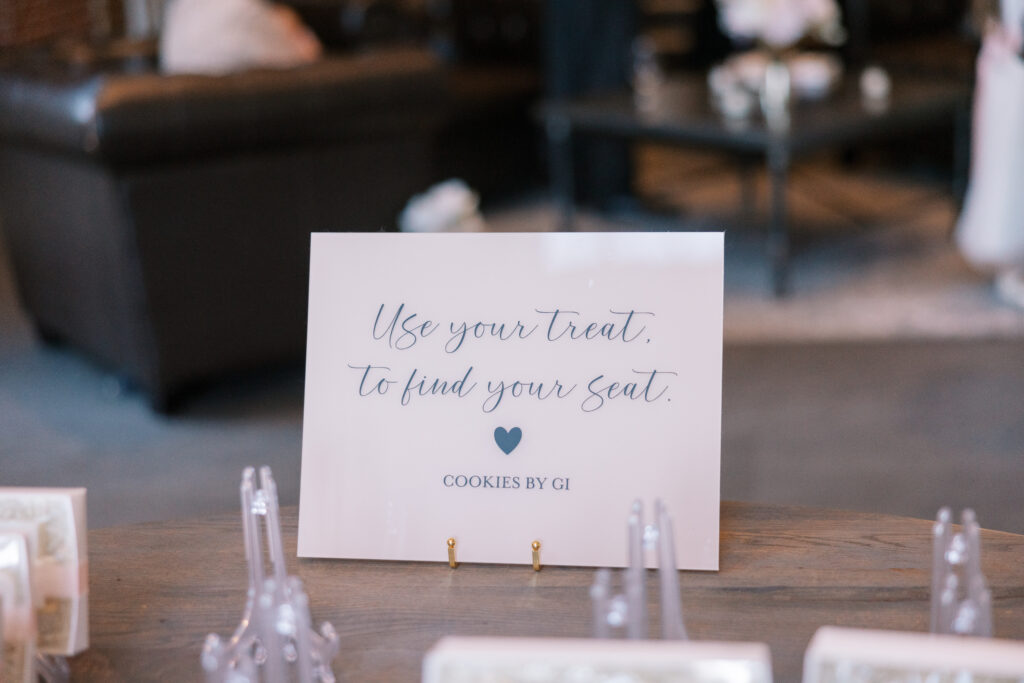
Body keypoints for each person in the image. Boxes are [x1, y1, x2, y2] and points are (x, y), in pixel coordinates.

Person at [956, 0, 1024, 308]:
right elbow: (981, 17)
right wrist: (998, 37)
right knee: (1005, 172)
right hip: (1005, 75)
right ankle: (1013, 266)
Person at [160, 0, 322, 75]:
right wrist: (296, 31)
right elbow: (308, 61)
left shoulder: (181, 8)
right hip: (248, 125)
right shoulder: (246, 12)